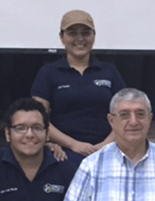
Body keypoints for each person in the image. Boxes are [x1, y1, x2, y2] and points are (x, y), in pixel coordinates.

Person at [32, 9, 126, 165]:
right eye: (72, 33)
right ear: (62, 38)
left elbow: (125, 113)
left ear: (94, 37)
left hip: (108, 150)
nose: (80, 39)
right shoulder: (48, 72)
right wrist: (73, 144)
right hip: (64, 152)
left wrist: (105, 145)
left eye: (86, 33)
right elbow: (37, 117)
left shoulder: (109, 71)